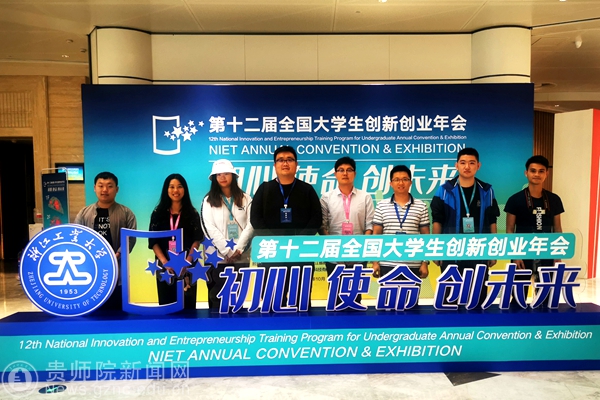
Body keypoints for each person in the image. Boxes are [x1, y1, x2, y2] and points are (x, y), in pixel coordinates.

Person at [250, 145, 322, 309]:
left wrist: (299, 241)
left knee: (301, 302)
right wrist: (274, 241)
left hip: (301, 253)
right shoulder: (265, 189)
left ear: (296, 165)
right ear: (274, 165)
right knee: (273, 302)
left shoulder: (307, 189)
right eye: (280, 160)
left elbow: (316, 219)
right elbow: (255, 219)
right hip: (272, 253)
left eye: (290, 160)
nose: (285, 163)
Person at [431, 147, 500, 307]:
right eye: (463, 163)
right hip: (451, 252)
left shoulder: (487, 191)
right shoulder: (444, 190)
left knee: (477, 300)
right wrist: (436, 250)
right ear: (456, 165)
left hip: (479, 252)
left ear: (478, 166)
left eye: (471, 163)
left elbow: (492, 221)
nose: (467, 167)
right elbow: (437, 221)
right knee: (450, 300)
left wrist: (493, 251)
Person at [505, 155, 564, 304]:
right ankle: (517, 319)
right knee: (518, 298)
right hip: (521, 254)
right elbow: (510, 230)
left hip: (546, 252)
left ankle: (543, 318)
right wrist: (515, 255)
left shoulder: (554, 199)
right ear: (526, 173)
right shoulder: (515, 200)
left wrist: (557, 254)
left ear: (546, 174)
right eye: (533, 171)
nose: (537, 174)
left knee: (546, 296)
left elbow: (557, 228)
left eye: (541, 171)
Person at [74, 171, 137, 310]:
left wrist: (118, 254)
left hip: (117, 269)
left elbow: (131, 239)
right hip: (90, 269)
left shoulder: (126, 213)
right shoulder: (84, 213)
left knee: (117, 308)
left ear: (117, 189)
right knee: (92, 309)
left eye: (109, 186)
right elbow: (76, 238)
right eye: (101, 185)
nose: (105, 190)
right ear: (94, 188)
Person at [201, 159, 254, 310]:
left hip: (241, 257)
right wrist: (227, 251)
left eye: (226, 173)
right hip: (216, 258)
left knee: (237, 299)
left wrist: (239, 249)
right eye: (218, 174)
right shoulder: (208, 201)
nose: (222, 177)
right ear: (214, 178)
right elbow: (209, 228)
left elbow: (251, 225)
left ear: (233, 175)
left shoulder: (246, 198)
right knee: (216, 300)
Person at [320, 156, 374, 305]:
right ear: (335, 174)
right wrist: (333, 246)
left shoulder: (365, 197)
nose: (345, 173)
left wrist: (361, 247)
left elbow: (370, 225)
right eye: (341, 170)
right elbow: (323, 225)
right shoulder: (326, 197)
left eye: (349, 170)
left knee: (355, 298)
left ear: (355, 174)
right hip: (334, 256)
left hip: (358, 254)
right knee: (335, 297)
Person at [148, 173, 203, 309]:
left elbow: (197, 240)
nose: (175, 190)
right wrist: (165, 262)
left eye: (179, 186)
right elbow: (153, 241)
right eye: (171, 187)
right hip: (165, 267)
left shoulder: (192, 213)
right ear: (166, 190)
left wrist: (187, 262)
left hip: (188, 267)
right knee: (166, 305)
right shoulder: (158, 213)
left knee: (188, 307)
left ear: (185, 189)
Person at [372, 165, 430, 280]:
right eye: (396, 180)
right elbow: (376, 235)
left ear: (410, 182)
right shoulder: (381, 205)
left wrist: (425, 262)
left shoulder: (421, 206)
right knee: (388, 293)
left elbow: (426, 236)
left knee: (411, 292)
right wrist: (375, 261)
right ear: (391, 183)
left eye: (405, 179)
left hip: (413, 264)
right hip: (387, 263)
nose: (401, 183)